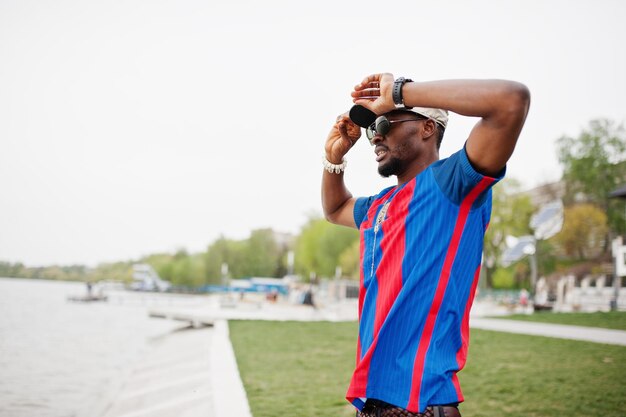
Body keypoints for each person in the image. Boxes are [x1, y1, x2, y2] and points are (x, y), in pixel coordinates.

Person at [322, 74, 530, 417]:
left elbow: (511, 101)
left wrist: (401, 92)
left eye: (386, 121)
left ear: (427, 128)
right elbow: (334, 209)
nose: (376, 136)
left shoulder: (455, 182)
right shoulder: (378, 205)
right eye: (372, 129)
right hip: (372, 405)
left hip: (423, 405)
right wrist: (333, 159)